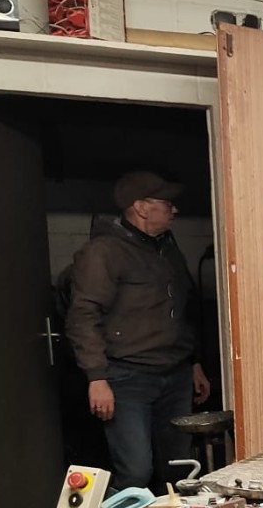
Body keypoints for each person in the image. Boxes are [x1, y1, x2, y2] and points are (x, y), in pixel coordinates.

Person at [66, 171, 211, 490]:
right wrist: (96, 378)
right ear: (141, 207)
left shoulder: (166, 248)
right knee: (135, 471)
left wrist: (194, 362)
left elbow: (182, 307)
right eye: (167, 203)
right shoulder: (103, 251)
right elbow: (83, 315)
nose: (174, 210)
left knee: (178, 469)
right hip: (127, 378)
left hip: (174, 375)